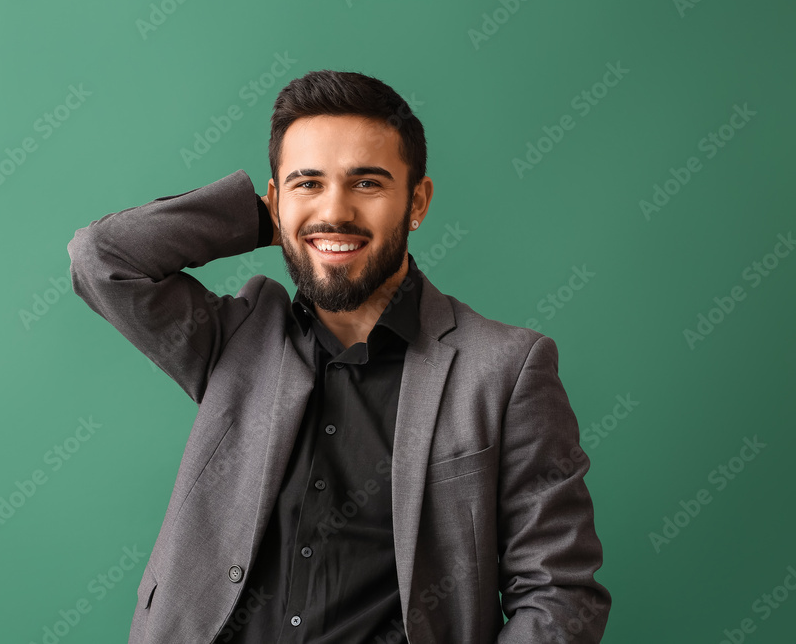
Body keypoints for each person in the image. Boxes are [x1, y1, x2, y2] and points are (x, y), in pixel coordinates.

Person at [66, 69, 611, 644]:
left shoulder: (504, 370)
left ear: (416, 201)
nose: (336, 211)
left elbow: (558, 591)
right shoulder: (236, 338)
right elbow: (101, 259)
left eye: (367, 184)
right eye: (307, 183)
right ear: (276, 202)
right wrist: (265, 219)